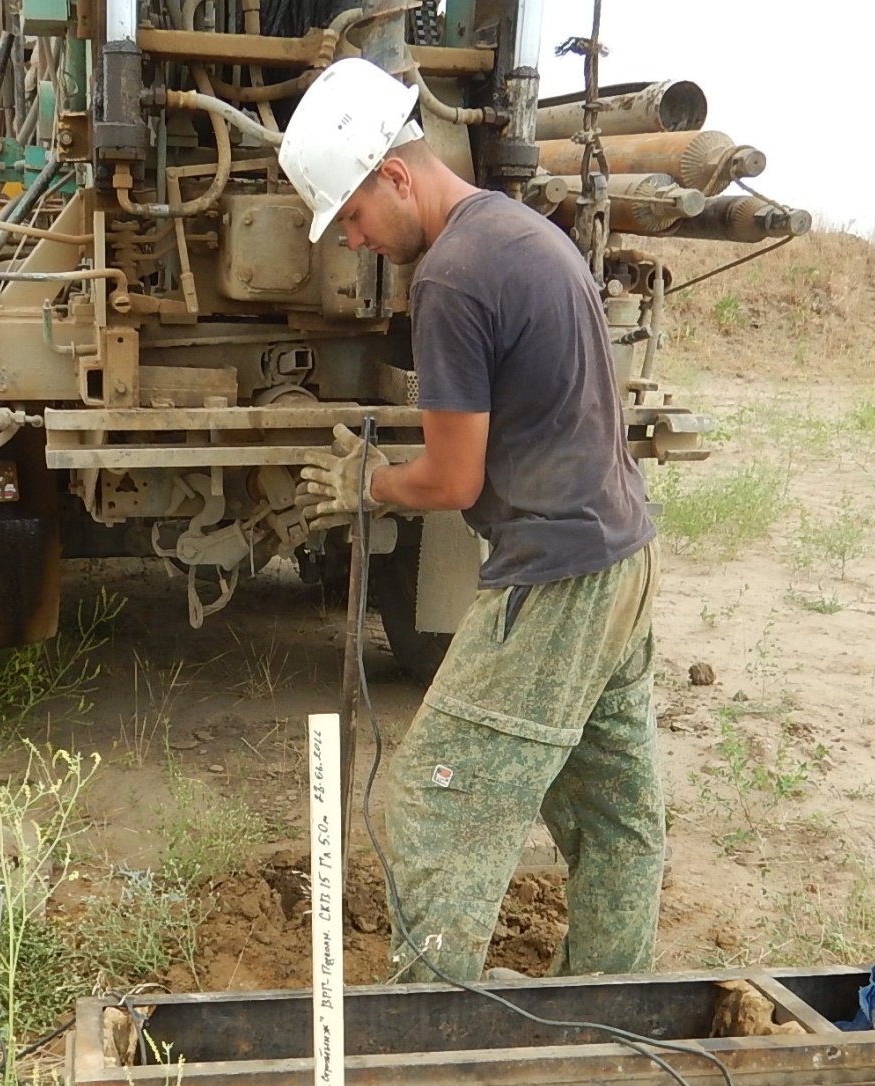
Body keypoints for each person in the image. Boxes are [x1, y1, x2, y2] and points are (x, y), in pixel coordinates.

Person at [281, 58, 664, 982]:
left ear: (395, 174)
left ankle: (436, 1018)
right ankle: (609, 999)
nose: (357, 242)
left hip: (554, 575)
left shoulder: (449, 279)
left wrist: (366, 482)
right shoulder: (523, 231)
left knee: (434, 806)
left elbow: (453, 481)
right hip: (624, 557)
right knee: (615, 810)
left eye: (356, 218)